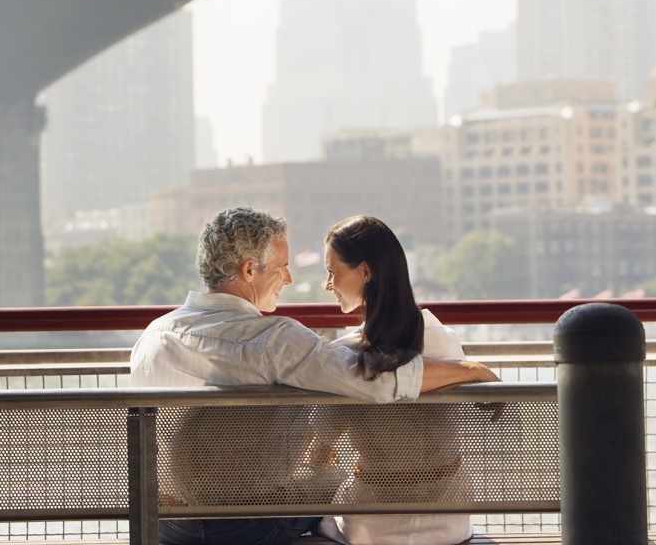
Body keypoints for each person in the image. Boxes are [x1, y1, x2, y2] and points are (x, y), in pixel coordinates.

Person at [130, 207, 498, 545]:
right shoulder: (273, 339)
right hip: (245, 524)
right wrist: (471, 369)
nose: (289, 278)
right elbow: (380, 383)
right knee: (352, 483)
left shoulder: (153, 335)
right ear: (248, 271)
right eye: (282, 267)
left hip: (166, 522)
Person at [322, 214, 477, 545]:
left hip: (376, 527)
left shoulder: (343, 354)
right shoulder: (443, 339)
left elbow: (319, 454)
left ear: (365, 272)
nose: (328, 284)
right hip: (450, 522)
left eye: (333, 272)